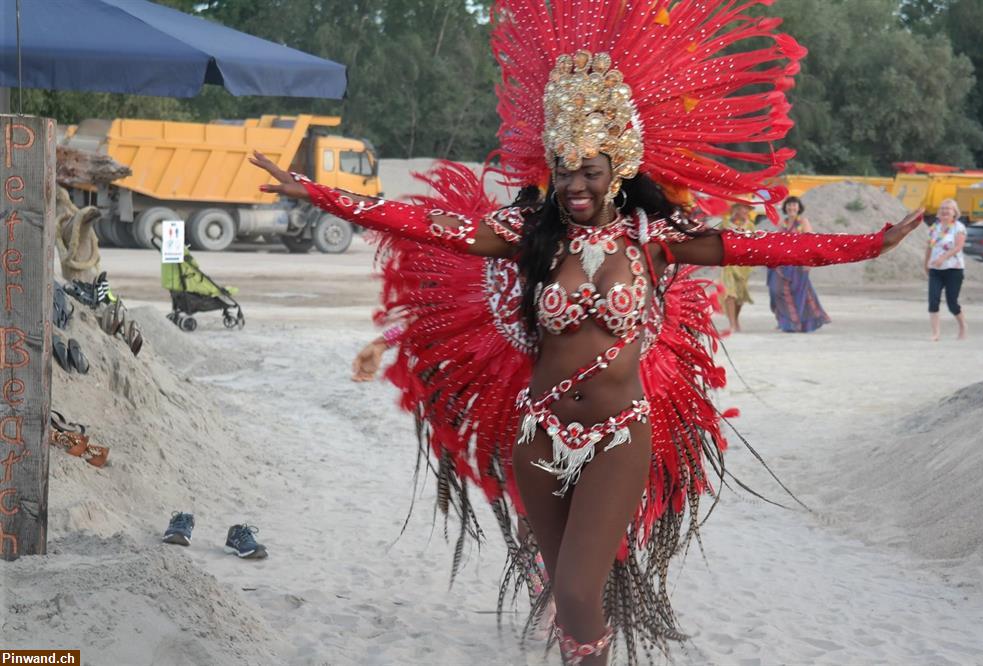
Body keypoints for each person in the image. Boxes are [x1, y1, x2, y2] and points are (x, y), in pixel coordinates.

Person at [251, 3, 924, 663]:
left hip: (620, 434)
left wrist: (868, 243)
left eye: (590, 171)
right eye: (564, 169)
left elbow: (769, 250)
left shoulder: (657, 238)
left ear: (620, 167)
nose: (574, 184)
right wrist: (318, 193)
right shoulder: (526, 233)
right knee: (568, 603)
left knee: (575, 590)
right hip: (538, 431)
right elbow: (425, 224)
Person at [766, 196, 831, 332]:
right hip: (783, 264)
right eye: (789, 205)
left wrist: (809, 261)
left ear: (799, 207)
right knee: (776, 291)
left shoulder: (803, 222)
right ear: (785, 208)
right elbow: (777, 242)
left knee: (799, 293)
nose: (791, 208)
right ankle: (784, 320)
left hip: (799, 263)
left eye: (794, 205)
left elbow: (811, 241)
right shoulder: (782, 223)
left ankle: (794, 324)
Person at [925, 198, 968, 340]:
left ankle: (962, 326)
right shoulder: (933, 228)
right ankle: (935, 333)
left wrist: (943, 258)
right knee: (933, 300)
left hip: (953, 270)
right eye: (942, 208)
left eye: (948, 209)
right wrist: (926, 263)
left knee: (952, 303)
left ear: (954, 212)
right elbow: (929, 247)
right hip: (935, 270)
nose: (944, 211)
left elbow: (958, 246)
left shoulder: (959, 227)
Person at [720, 203, 757, 332]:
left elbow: (754, 244)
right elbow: (719, 240)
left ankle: (735, 319)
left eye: (748, 208)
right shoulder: (725, 224)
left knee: (740, 295)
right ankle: (731, 324)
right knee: (730, 293)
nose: (746, 210)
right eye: (744, 207)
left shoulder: (750, 225)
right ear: (736, 208)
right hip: (729, 263)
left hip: (744, 265)